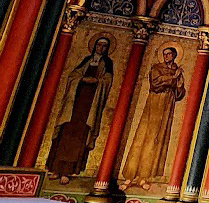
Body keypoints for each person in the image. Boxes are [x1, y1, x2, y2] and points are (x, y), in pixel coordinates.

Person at [46, 35, 114, 180]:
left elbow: (107, 81)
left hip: (89, 107)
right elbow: (73, 76)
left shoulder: (107, 64)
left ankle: (69, 171)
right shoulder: (86, 61)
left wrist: (97, 81)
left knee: (81, 136)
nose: (100, 48)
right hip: (74, 105)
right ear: (94, 46)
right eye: (99, 45)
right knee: (65, 132)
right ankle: (56, 168)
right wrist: (82, 79)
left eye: (104, 46)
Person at [121, 45, 186, 186]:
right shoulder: (156, 68)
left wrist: (179, 85)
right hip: (153, 104)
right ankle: (130, 175)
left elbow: (179, 93)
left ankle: (145, 177)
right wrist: (172, 78)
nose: (166, 56)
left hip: (167, 106)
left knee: (158, 139)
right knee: (144, 136)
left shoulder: (177, 71)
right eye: (165, 54)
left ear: (174, 55)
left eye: (169, 54)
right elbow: (155, 83)